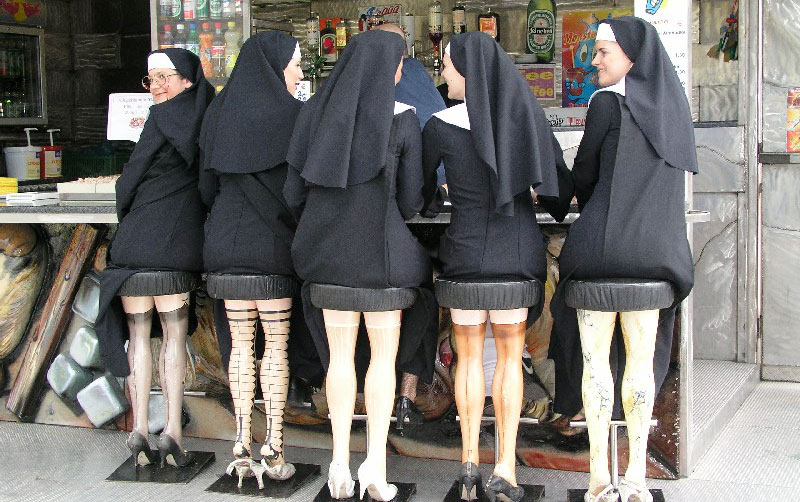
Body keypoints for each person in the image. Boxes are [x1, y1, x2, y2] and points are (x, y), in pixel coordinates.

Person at [548, 17, 697, 502]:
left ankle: (598, 479)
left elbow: (584, 179)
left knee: (594, 362)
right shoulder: (675, 107)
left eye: (603, 52)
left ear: (632, 56)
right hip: (659, 258)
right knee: (640, 365)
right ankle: (636, 478)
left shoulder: (606, 104)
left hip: (602, 254)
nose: (594, 61)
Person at [284, 30, 436, 501]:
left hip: (328, 261)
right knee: (383, 361)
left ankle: (337, 463)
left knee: (340, 360)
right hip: (383, 263)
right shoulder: (403, 119)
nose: (401, 72)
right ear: (387, 68)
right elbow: (410, 202)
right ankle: (375, 464)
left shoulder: (314, 112)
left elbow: (293, 193)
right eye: (399, 64)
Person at [422, 32, 572, 502]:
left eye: (447, 65)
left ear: (467, 70)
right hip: (516, 256)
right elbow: (558, 190)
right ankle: (505, 468)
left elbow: (420, 194)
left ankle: (468, 465)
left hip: (465, 258)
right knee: (510, 359)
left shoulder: (439, 125)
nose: (443, 74)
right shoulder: (525, 115)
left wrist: (441, 195)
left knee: (469, 358)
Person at [96, 48, 214, 468]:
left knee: (139, 335)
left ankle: (140, 429)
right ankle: (174, 433)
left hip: (137, 247)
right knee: (174, 339)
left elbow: (128, 180)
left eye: (165, 77)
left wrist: (127, 209)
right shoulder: (209, 116)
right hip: (179, 247)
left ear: (186, 80)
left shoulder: (160, 119)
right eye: (152, 79)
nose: (157, 87)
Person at [198, 31, 305, 481]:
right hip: (272, 248)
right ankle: (274, 449)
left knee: (240, 344)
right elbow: (299, 191)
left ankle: (241, 442)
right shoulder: (295, 116)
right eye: (295, 65)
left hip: (224, 245)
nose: (300, 73)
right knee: (275, 345)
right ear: (275, 67)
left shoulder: (217, 112)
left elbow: (205, 187)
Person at [374, 21, 446, 431]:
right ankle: (405, 396)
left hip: (345, 247)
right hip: (407, 231)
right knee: (422, 295)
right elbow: (423, 184)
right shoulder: (417, 80)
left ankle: (372, 398)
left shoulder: (343, 94)